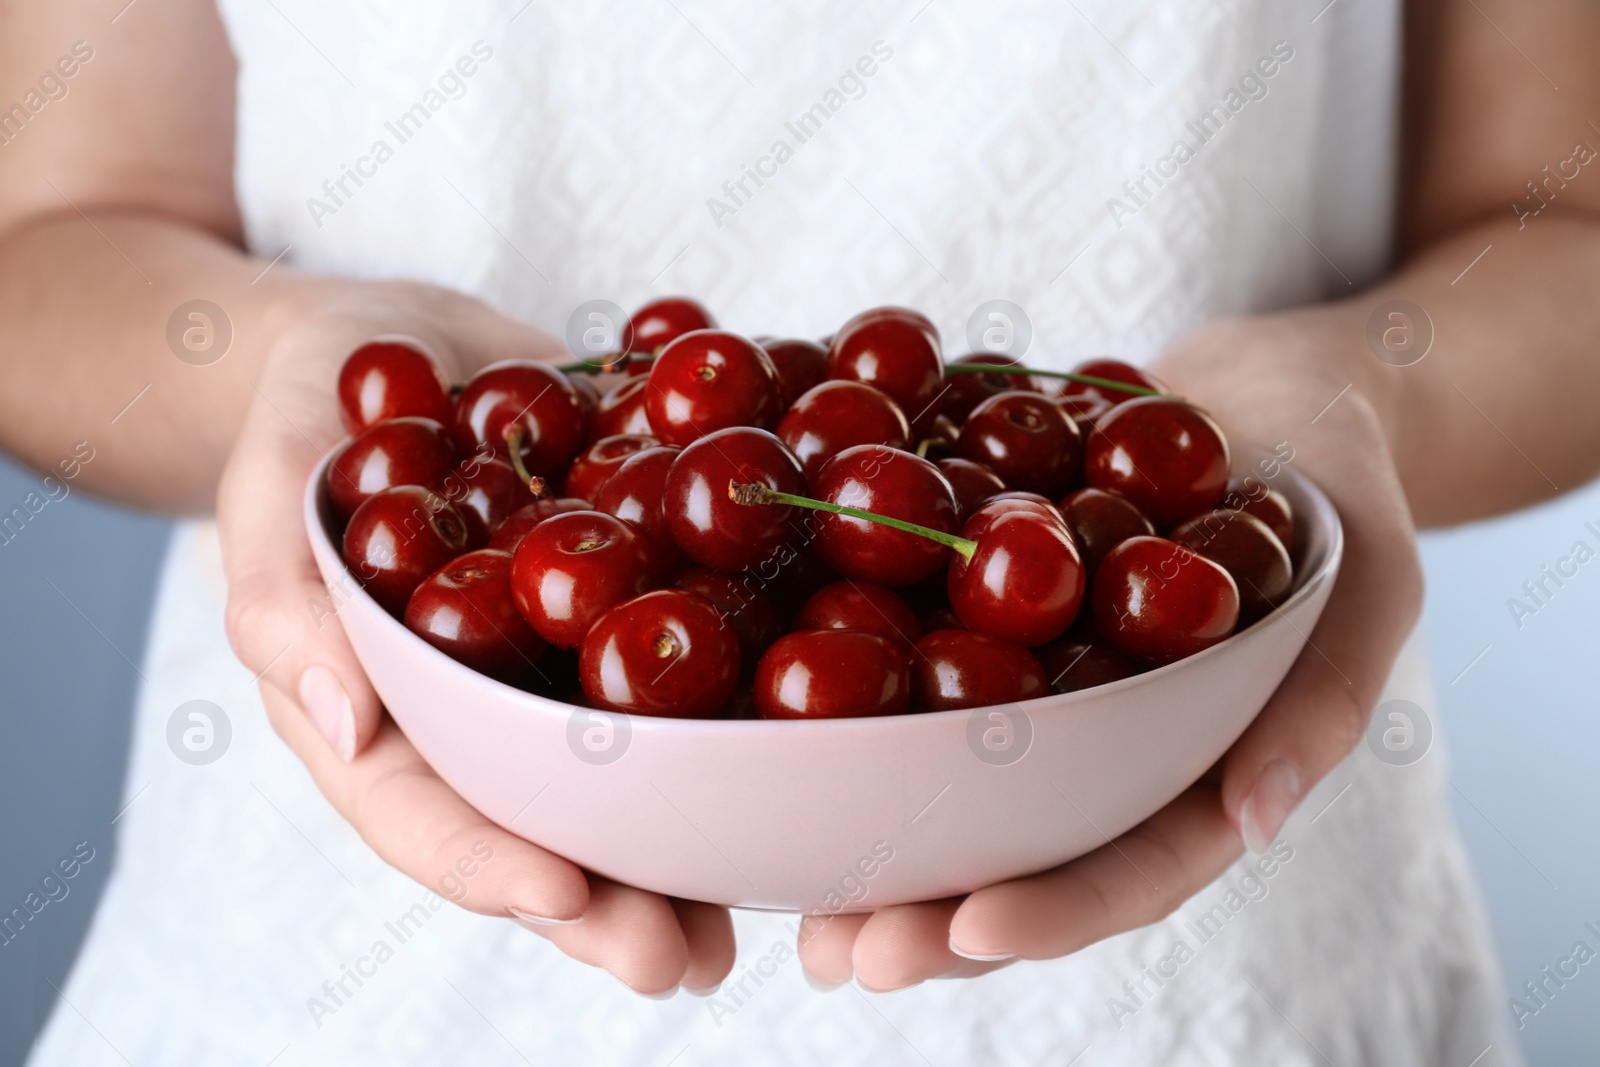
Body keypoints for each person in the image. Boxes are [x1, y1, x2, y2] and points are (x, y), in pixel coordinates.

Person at [3, 0, 1596, 1062]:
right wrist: (285, 361)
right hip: (342, 939)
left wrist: (1368, 397)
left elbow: (1562, 219)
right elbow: (49, 239)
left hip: (1228, 947)